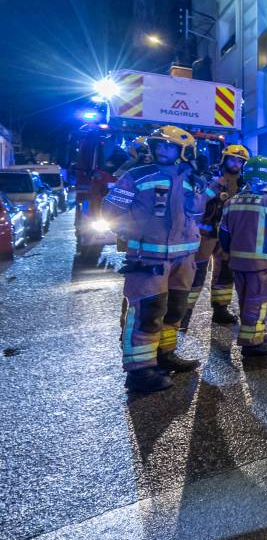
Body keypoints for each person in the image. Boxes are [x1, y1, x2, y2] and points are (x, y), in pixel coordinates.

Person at [103, 125, 204, 392]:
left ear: (184, 151)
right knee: (147, 312)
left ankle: (165, 355)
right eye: (158, 145)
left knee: (175, 309)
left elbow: (199, 214)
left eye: (168, 146)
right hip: (148, 259)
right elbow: (110, 211)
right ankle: (140, 371)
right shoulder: (136, 176)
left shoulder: (193, 179)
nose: (161, 150)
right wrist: (134, 233)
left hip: (184, 258)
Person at [218, 155, 267, 356]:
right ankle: (252, 343)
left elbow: (223, 234)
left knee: (245, 300)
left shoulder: (231, 202)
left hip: (238, 263)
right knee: (259, 302)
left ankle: (256, 333)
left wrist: (229, 254)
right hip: (263, 264)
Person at [181, 143, 248, 331]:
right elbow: (197, 201)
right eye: (232, 159)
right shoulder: (209, 176)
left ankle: (220, 310)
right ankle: (183, 314)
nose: (236, 164)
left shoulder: (244, 183)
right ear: (224, 159)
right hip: (205, 233)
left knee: (225, 273)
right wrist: (215, 186)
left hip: (228, 235)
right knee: (196, 273)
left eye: (240, 161)